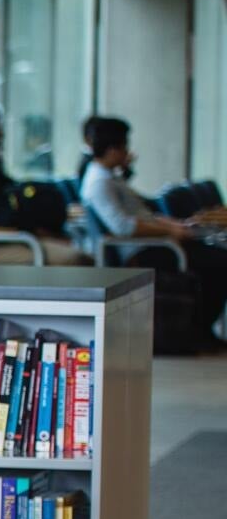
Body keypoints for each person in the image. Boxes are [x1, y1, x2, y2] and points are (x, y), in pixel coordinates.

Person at [80, 115, 227, 347]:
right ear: (113, 149)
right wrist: (169, 233)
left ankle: (202, 330)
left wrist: (172, 226)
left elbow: (142, 214)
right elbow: (123, 226)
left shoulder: (111, 178)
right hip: (143, 251)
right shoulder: (100, 182)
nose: (128, 151)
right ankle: (202, 331)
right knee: (218, 263)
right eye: (124, 145)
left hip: (154, 243)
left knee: (215, 257)